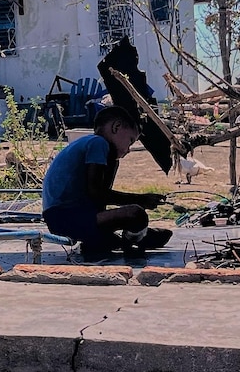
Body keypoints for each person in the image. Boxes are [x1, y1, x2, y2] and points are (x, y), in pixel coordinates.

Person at [41, 106, 173, 261]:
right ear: (116, 127)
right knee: (136, 215)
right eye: (130, 141)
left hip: (60, 219)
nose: (129, 150)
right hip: (66, 218)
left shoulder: (93, 146)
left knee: (110, 242)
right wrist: (141, 199)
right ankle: (136, 239)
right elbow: (96, 193)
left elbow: (97, 197)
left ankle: (122, 238)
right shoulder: (98, 143)